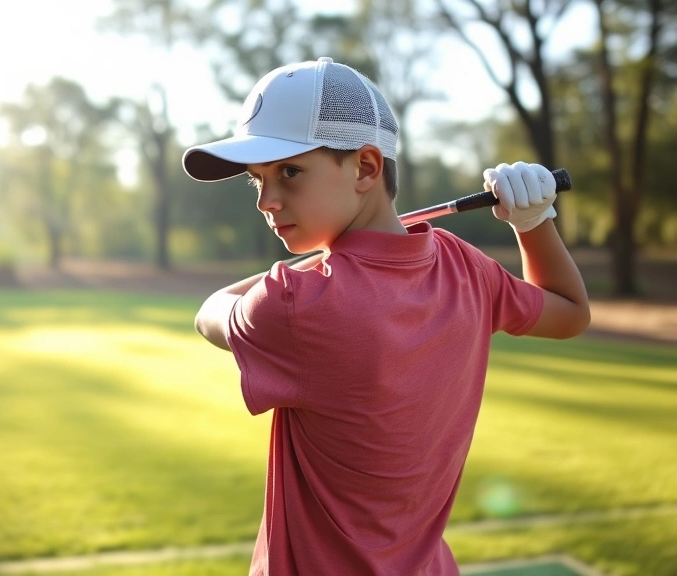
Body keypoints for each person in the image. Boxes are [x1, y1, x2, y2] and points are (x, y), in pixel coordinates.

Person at [181, 57, 590, 575]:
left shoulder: (295, 303)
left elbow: (210, 309)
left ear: (367, 168)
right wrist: (534, 223)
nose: (267, 200)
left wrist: (302, 264)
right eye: (257, 180)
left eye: (289, 172)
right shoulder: (465, 268)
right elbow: (570, 313)